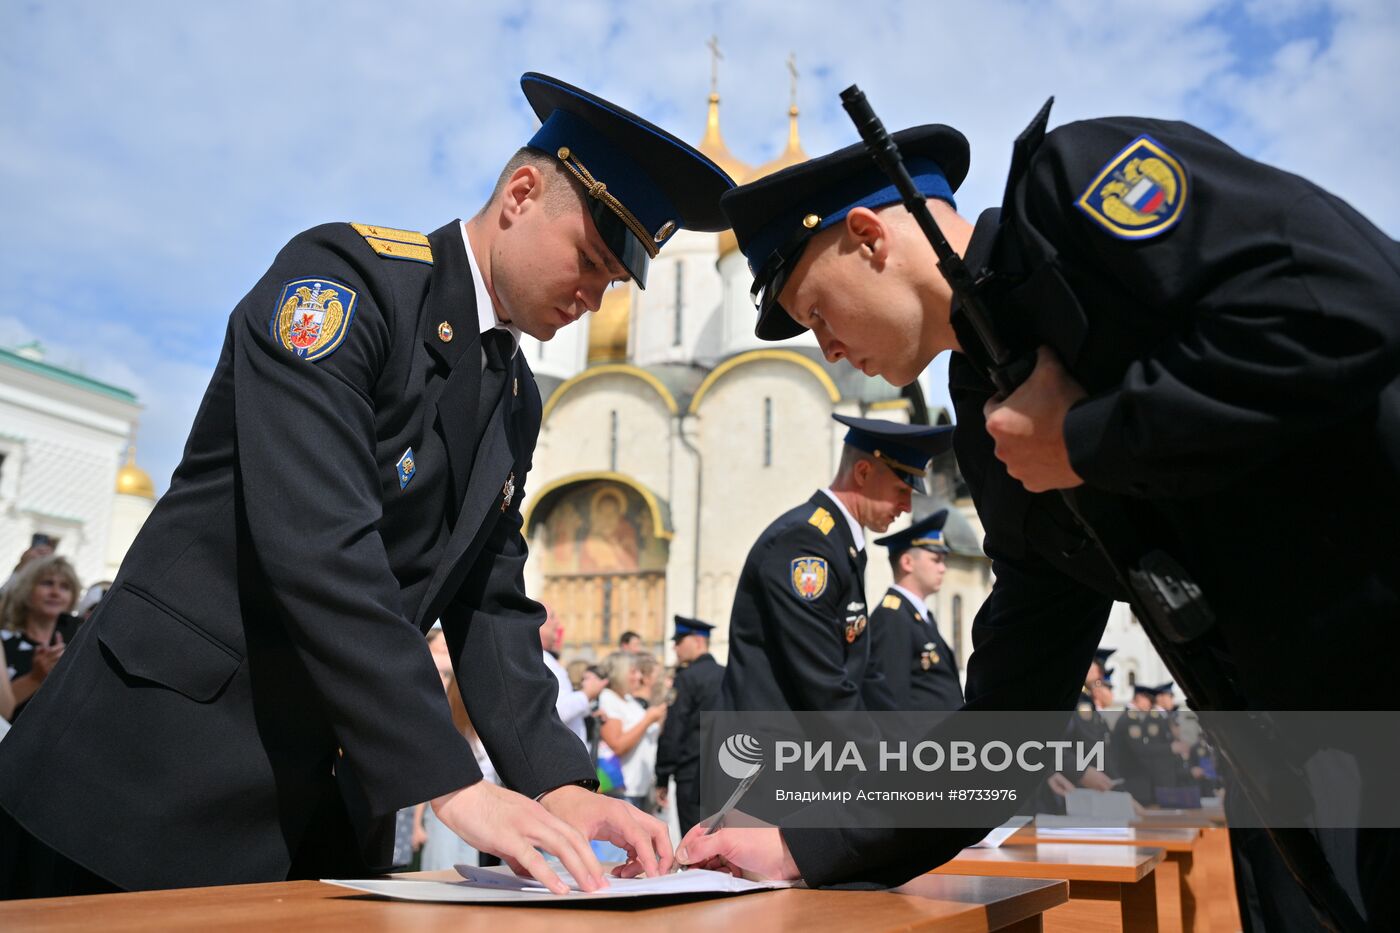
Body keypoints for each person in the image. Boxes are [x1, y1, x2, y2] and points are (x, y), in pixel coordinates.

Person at [0, 71, 735, 899]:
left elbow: (490, 601)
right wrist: (450, 780)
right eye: (591, 261)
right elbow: (319, 543)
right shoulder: (347, 284)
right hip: (140, 778)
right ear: (521, 195)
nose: (595, 298)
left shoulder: (513, 396)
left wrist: (559, 781)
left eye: (614, 283)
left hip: (310, 813)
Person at [685, 99, 1400, 929]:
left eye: (817, 313)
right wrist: (803, 844)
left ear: (869, 238)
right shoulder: (993, 424)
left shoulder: (1073, 193)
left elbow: (1351, 303)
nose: (830, 349)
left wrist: (1088, 438)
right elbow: (1012, 714)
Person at [719, 414, 952, 714]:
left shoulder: (839, 541)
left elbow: (863, 669)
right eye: (901, 490)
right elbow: (823, 681)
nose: (907, 507)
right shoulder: (806, 543)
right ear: (863, 472)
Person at [868, 510, 962, 711]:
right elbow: (890, 701)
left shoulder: (918, 615)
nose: (943, 569)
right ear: (907, 563)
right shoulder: (892, 618)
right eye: (936, 560)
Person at [654, 616, 724, 835]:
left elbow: (674, 729)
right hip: (726, 772)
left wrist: (662, 775)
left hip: (692, 776)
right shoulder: (728, 674)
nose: (675, 647)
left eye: (679, 641)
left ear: (697, 641)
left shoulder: (686, 678)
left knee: (696, 842)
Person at [0, 555, 81, 719]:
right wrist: (35, 678)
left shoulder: (78, 642)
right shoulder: (4, 641)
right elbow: (3, 709)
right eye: (47, 583)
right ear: (26, 590)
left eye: (65, 587)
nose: (55, 593)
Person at [596, 651, 666, 812]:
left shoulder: (628, 700)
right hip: (622, 787)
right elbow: (617, 745)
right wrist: (648, 719)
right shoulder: (608, 698)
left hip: (640, 786)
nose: (638, 677)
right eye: (633, 672)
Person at [539, 605, 601, 746]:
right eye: (552, 617)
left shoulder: (545, 658)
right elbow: (557, 711)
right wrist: (587, 694)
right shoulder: (540, 659)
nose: (557, 622)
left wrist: (588, 710)